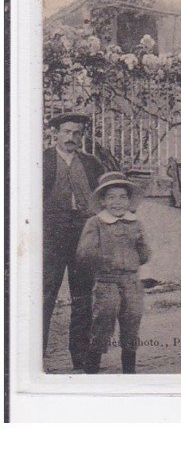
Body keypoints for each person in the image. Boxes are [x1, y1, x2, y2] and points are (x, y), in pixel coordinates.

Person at [42, 111, 105, 369]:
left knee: (82, 298)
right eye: (66, 132)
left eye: (76, 133)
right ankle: (35, 359)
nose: (71, 137)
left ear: (82, 136)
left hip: (83, 237)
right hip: (51, 238)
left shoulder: (91, 164)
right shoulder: (41, 161)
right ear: (56, 133)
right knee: (45, 297)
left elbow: (104, 198)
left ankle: (80, 358)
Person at [76, 172, 151, 374]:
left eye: (122, 197)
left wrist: (140, 252)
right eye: (111, 197)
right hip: (107, 282)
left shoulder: (135, 222)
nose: (117, 202)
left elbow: (144, 253)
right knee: (104, 320)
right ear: (102, 201)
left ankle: (129, 369)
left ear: (129, 200)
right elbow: (84, 253)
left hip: (132, 282)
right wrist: (107, 259)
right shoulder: (95, 223)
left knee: (132, 319)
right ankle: (92, 366)